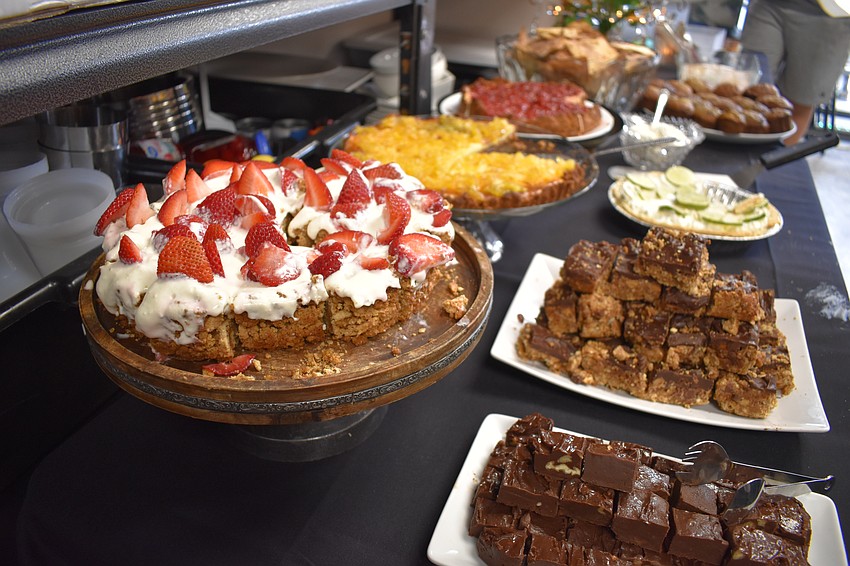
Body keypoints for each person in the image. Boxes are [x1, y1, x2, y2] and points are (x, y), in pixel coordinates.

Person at [741, 0, 850, 144]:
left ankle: (771, 162)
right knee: (749, 87)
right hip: (768, 5)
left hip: (829, 14)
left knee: (801, 98)